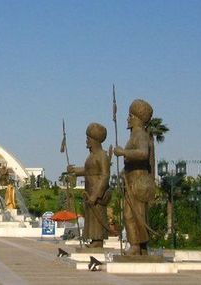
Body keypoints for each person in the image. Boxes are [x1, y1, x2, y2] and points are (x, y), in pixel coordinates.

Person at [114, 99, 156, 255]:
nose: (128, 119)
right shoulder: (134, 135)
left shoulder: (140, 135)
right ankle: (140, 246)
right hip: (132, 179)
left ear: (138, 118)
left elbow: (143, 154)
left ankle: (136, 246)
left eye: (130, 116)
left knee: (133, 214)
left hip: (138, 182)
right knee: (134, 213)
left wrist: (123, 152)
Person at [67, 122, 111, 248]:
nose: (86, 141)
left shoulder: (102, 156)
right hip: (89, 191)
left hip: (97, 193)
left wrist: (96, 194)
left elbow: (105, 176)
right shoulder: (91, 156)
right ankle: (93, 240)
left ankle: (98, 241)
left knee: (98, 216)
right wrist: (74, 171)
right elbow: (88, 171)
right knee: (91, 217)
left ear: (94, 140)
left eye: (88, 138)